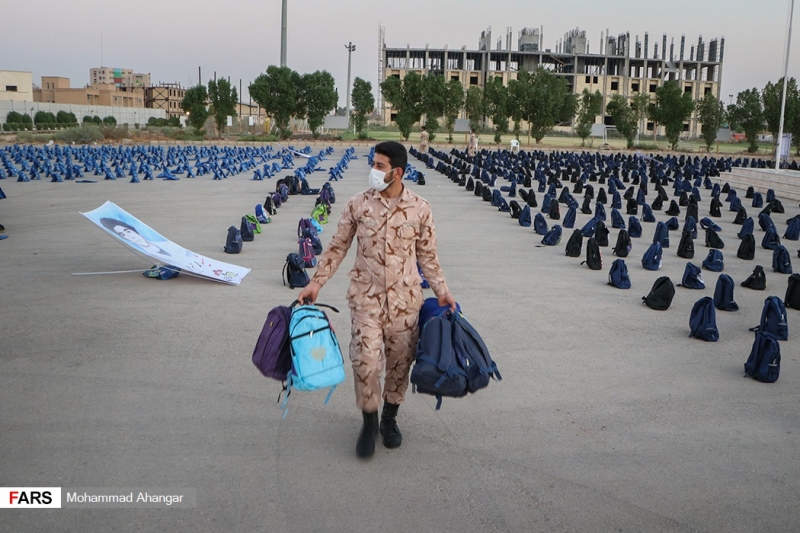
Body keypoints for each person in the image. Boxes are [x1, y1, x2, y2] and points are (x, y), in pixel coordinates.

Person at [297, 141, 456, 459]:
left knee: (399, 365)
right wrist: (316, 283)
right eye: (373, 163)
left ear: (397, 172)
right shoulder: (358, 204)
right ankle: (369, 422)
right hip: (366, 299)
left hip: (405, 303)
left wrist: (442, 290)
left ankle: (389, 418)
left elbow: (427, 255)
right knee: (366, 361)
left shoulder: (420, 208)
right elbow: (338, 246)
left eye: (379, 165)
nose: (373, 170)